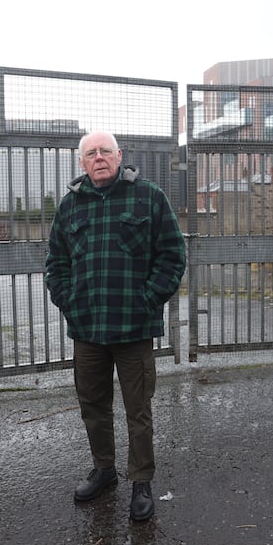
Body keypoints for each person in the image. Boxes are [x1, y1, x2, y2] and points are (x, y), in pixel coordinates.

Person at [45, 131, 186, 521]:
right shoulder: (70, 206)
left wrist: (147, 300)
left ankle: (141, 480)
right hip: (87, 330)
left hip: (133, 329)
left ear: (119, 155)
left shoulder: (149, 196)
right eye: (91, 153)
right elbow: (56, 263)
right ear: (82, 162)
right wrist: (70, 303)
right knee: (93, 406)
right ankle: (104, 470)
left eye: (105, 151)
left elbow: (173, 255)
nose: (99, 157)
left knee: (138, 409)